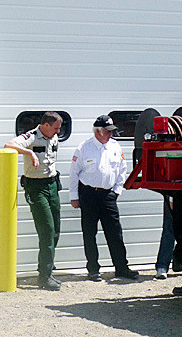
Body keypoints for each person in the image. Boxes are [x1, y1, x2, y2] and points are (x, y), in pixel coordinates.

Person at [69, 115, 139, 282]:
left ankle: (121, 268)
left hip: (108, 195)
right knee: (89, 233)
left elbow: (123, 169)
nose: (110, 135)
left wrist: (117, 191)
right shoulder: (84, 148)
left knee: (115, 233)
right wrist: (74, 196)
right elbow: (74, 173)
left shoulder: (115, 146)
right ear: (98, 131)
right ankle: (93, 270)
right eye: (108, 132)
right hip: (88, 194)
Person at [5, 111, 63, 290]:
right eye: (55, 128)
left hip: (52, 185)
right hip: (36, 188)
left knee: (56, 230)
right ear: (45, 125)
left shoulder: (53, 138)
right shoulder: (32, 136)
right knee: (47, 229)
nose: (58, 132)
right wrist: (29, 153)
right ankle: (44, 277)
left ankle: (47, 264)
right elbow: (9, 144)